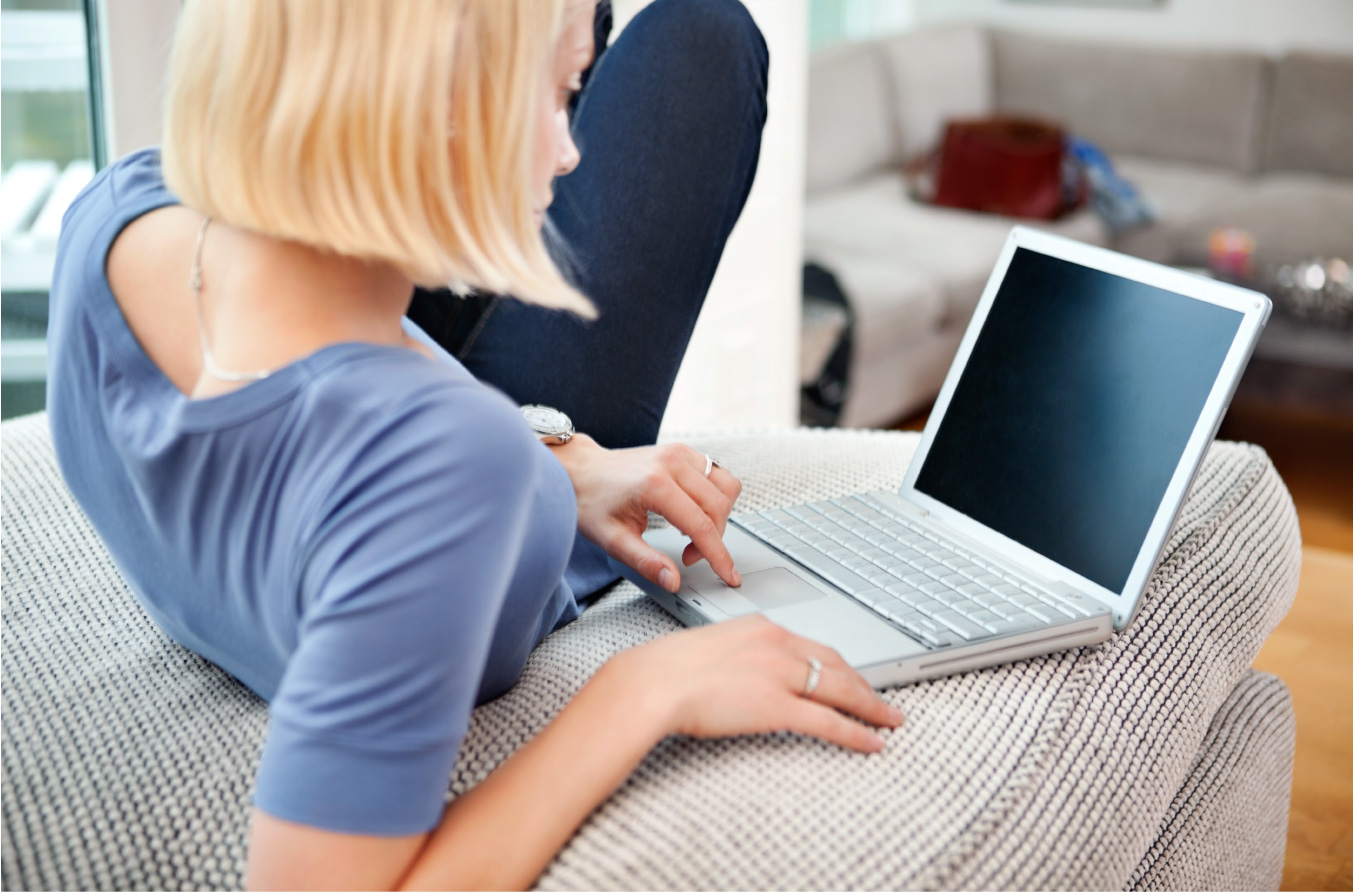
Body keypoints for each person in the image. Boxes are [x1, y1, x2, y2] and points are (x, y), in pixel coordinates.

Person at [45, 0, 904, 887]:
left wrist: (564, 460)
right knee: (704, 37)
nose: (569, 151)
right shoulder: (452, 468)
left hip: (457, 431)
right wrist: (644, 687)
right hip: (460, 481)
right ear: (438, 103)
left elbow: (350, 359)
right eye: (561, 93)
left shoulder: (116, 210)